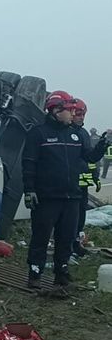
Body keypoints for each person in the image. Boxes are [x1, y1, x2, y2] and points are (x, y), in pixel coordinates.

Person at [22, 92, 107, 289]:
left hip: (72, 197)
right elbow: (29, 164)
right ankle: (35, 273)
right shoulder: (38, 134)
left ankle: (61, 272)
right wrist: (29, 190)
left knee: (66, 238)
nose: (73, 114)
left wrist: (104, 142)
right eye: (70, 110)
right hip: (47, 198)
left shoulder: (76, 134)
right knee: (40, 237)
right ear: (56, 110)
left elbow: (91, 157)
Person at [70, 99, 101, 258]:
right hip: (66, 184)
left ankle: (76, 243)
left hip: (81, 184)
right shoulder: (66, 132)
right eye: (78, 114)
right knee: (67, 217)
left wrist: (95, 177)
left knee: (80, 215)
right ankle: (66, 243)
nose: (82, 117)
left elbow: (90, 158)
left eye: (83, 114)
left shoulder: (83, 133)